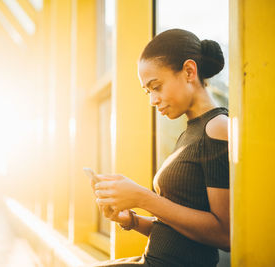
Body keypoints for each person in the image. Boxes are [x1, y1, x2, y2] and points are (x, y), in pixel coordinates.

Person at [90, 29, 229, 267]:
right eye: (148, 91)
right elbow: (177, 235)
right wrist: (131, 220)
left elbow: (225, 235)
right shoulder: (192, 132)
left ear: (189, 71)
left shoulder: (217, 128)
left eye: (156, 86)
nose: (152, 100)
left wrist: (142, 197)